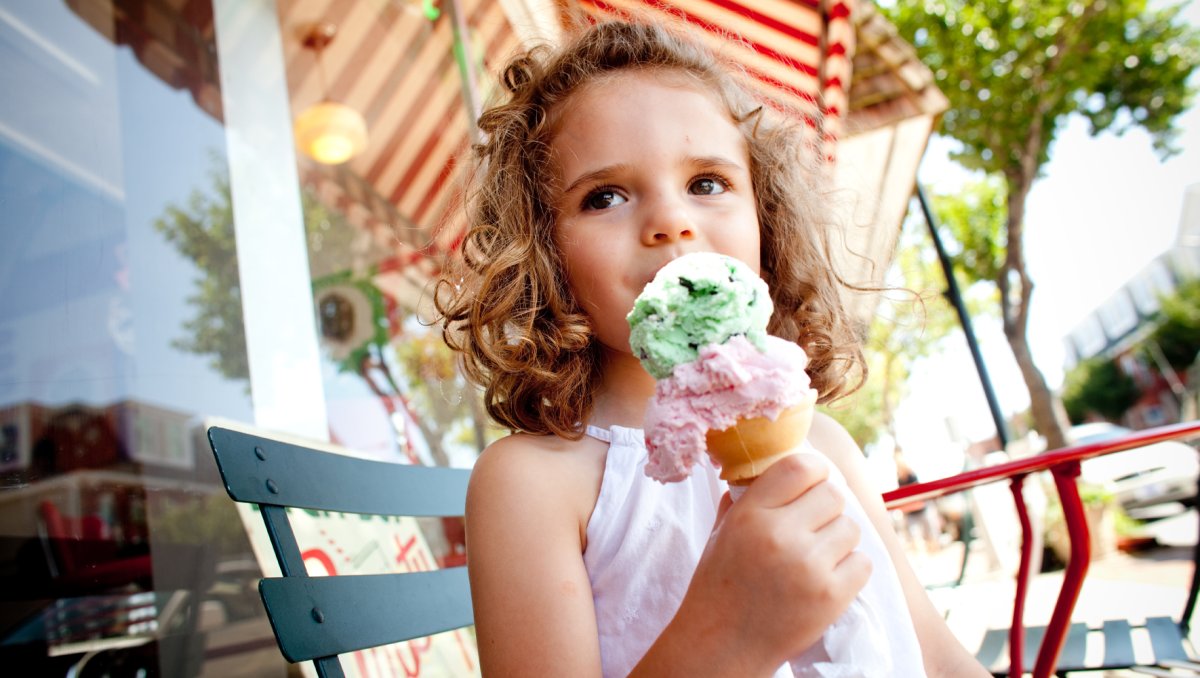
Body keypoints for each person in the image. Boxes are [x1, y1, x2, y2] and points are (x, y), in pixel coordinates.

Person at [436, 18, 989, 677]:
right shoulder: (533, 484)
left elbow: (934, 652)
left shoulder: (826, 447)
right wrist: (728, 635)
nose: (671, 220)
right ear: (545, 252)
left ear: (766, 217)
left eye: (706, 183)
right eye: (604, 196)